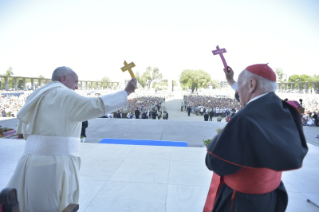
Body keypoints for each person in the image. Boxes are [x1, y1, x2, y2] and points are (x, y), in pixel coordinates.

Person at [7, 66, 137, 212]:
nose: (76, 86)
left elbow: (22, 131)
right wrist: (126, 92)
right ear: (63, 79)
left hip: (29, 160)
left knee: (28, 203)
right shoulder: (63, 94)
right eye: (75, 82)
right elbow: (94, 105)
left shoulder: (36, 94)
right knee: (51, 205)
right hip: (55, 163)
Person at [203, 64, 308, 212]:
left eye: (239, 85)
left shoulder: (245, 119)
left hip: (241, 201)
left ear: (252, 84)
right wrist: (231, 80)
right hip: (271, 196)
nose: (237, 91)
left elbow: (215, 162)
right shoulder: (286, 111)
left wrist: (218, 140)